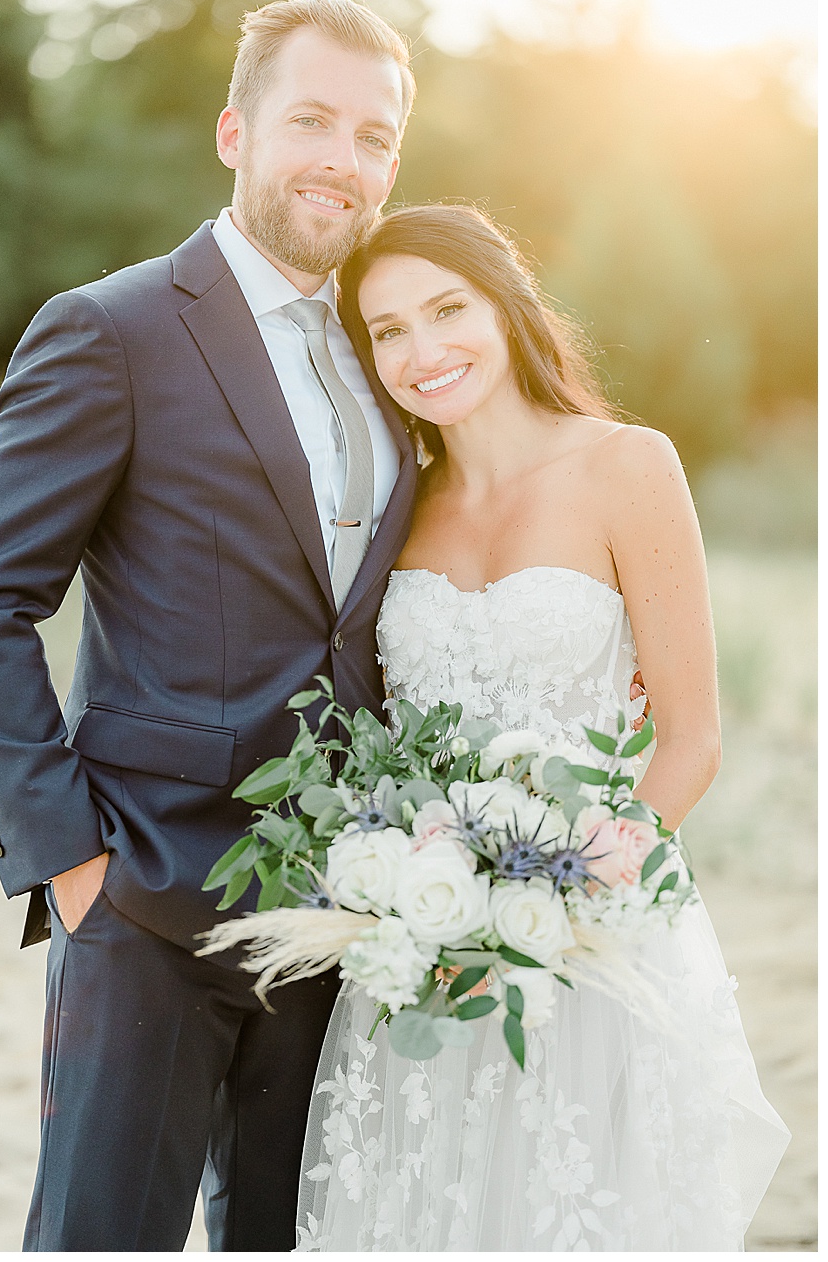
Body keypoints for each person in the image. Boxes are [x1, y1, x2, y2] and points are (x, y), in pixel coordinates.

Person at [0, 0, 422, 1252]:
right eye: (311, 119)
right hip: (145, 902)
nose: (342, 159)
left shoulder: (391, 355)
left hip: (337, 912)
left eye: (373, 137)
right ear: (232, 132)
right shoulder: (113, 331)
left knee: (283, 1239)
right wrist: (72, 868)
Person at [295, 203, 790, 1251]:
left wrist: (555, 904)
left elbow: (691, 739)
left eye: (445, 309)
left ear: (507, 306)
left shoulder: (627, 467)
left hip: (593, 937)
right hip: (421, 943)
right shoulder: (394, 508)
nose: (422, 352)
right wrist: (417, 896)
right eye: (387, 331)